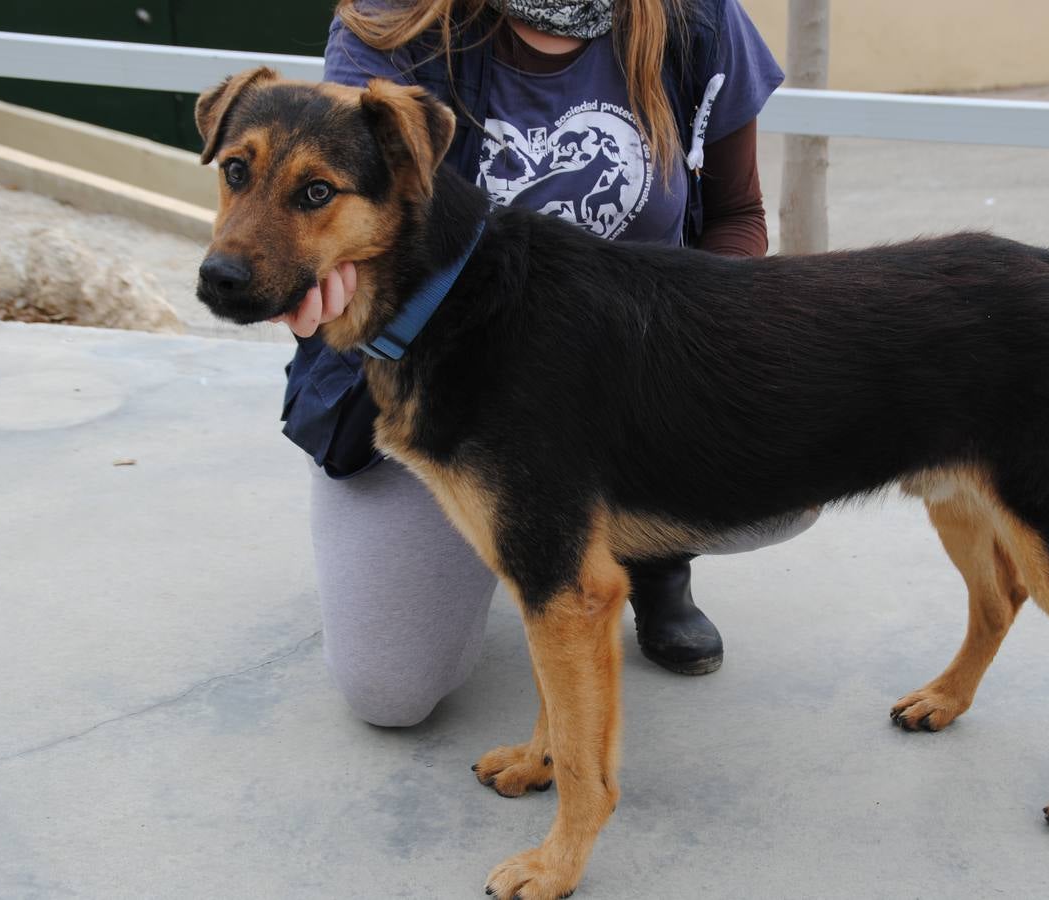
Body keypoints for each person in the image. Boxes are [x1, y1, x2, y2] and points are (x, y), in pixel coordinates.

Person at [280, 0, 802, 727]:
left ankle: (647, 556)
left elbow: (736, 215)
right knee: (390, 695)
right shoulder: (391, 22)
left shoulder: (696, 18)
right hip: (441, 394)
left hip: (617, 386)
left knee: (796, 472)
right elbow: (337, 211)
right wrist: (321, 285)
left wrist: (706, 354)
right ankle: (489, 537)